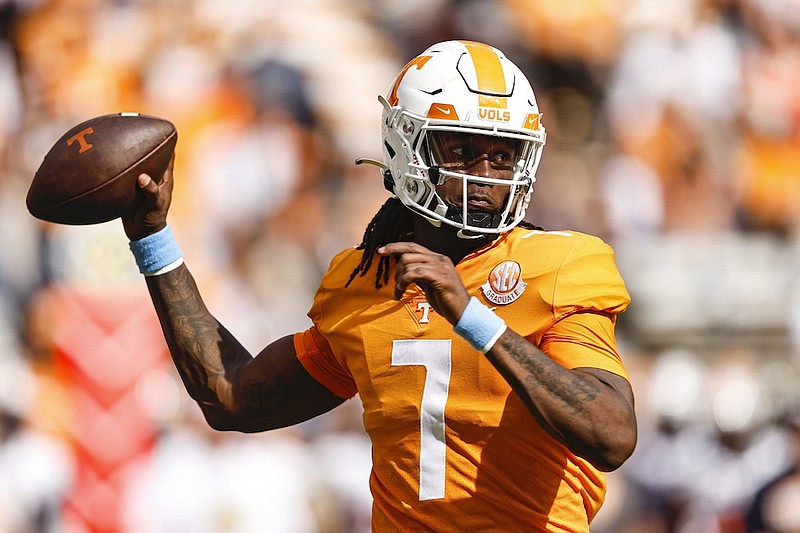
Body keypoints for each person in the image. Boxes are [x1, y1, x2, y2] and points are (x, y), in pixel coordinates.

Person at [122, 40, 637, 532]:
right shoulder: (365, 281)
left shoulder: (560, 264)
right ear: (407, 147)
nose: (486, 175)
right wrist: (153, 238)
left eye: (503, 155)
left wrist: (471, 316)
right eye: (462, 149)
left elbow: (611, 435)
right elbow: (234, 397)